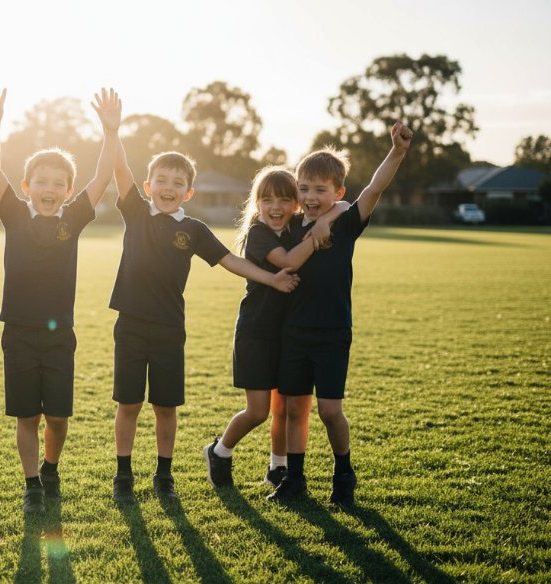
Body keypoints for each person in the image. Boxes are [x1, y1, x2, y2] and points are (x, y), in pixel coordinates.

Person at [108, 121, 300, 504]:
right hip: (129, 326)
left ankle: (164, 476)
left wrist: (272, 279)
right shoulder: (135, 211)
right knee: (129, 404)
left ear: (188, 192)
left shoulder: (193, 230)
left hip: (169, 329)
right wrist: (112, 132)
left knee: (166, 407)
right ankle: (123, 476)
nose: (168, 188)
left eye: (178, 183)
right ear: (148, 187)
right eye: (161, 180)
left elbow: (230, 259)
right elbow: (120, 169)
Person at [0, 86, 120, 514]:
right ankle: (31, 487)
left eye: (58, 183)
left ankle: (50, 467)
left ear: (67, 190)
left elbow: (102, 178)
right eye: (41, 181)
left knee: (57, 418)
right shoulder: (14, 213)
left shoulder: (74, 217)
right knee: (27, 417)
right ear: (27, 186)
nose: (49, 187)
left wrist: (110, 132)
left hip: (60, 335)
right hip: (19, 333)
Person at [268, 123, 413, 506]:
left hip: (333, 332)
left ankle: (343, 472)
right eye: (304, 188)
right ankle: (294, 480)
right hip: (294, 332)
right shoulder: (289, 228)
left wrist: (396, 152)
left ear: (338, 193)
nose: (310, 197)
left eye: (320, 190)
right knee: (296, 409)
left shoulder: (346, 222)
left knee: (331, 411)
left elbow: (374, 189)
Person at [203, 167, 348, 489]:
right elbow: (289, 262)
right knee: (258, 411)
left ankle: (277, 468)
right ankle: (220, 450)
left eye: (284, 199)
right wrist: (316, 236)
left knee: (284, 408)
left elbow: (345, 205)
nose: (276, 207)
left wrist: (325, 219)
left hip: (289, 333)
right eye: (266, 200)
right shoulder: (258, 233)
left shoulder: (298, 225)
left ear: (296, 203)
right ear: (256, 203)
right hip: (256, 332)